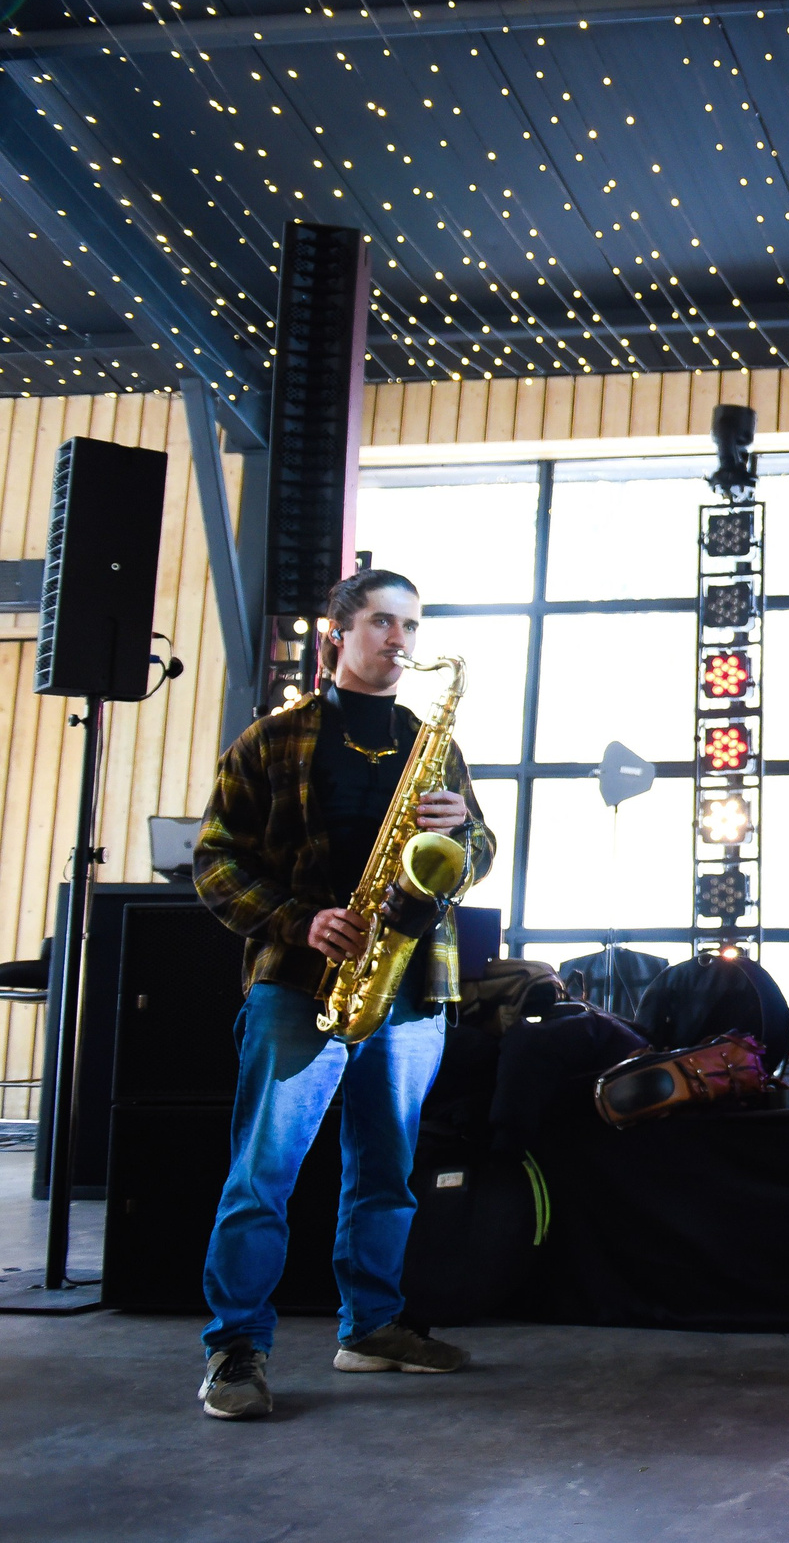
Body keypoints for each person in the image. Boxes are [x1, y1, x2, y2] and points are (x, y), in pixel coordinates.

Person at [191, 569, 498, 1421]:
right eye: (383, 623)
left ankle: (371, 1328)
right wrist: (299, 921)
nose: (401, 640)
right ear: (337, 634)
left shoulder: (429, 744)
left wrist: (461, 836)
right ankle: (235, 1348)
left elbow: (478, 850)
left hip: (409, 987)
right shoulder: (273, 738)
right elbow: (214, 859)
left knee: (388, 1173)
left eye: (411, 625)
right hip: (299, 984)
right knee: (263, 1175)